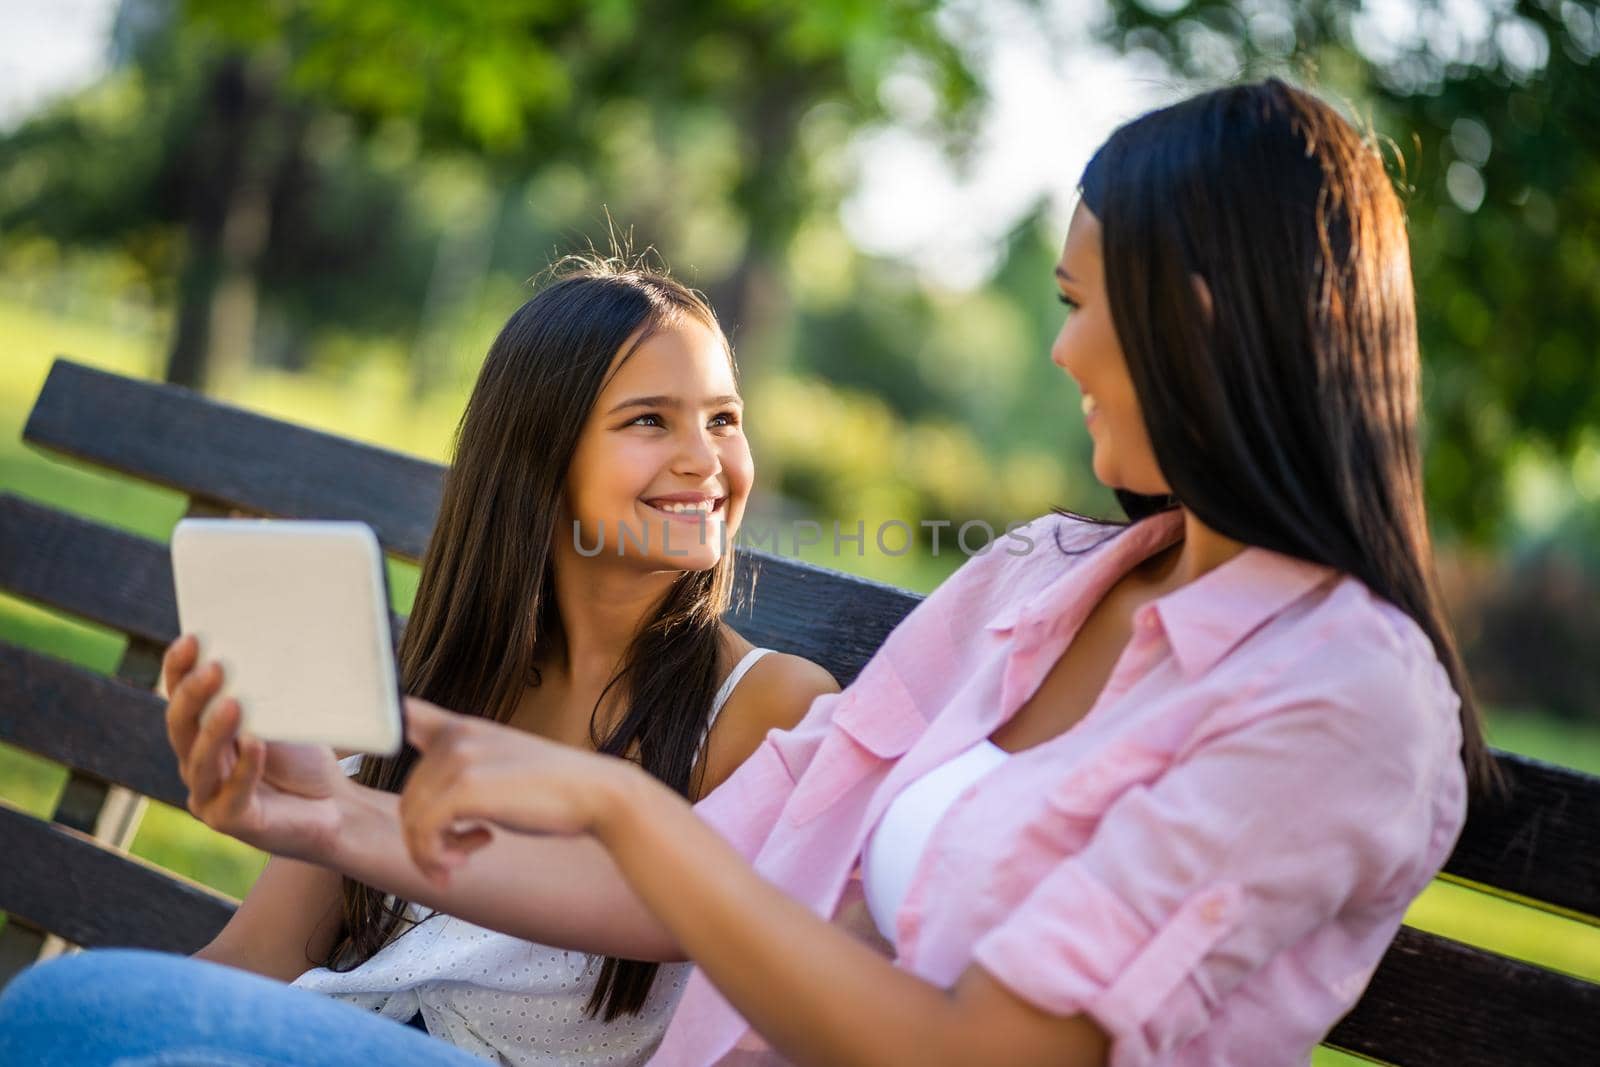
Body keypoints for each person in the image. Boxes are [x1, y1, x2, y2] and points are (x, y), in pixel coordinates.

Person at [0, 79, 1497, 1067]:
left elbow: (987, 1046)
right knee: (81, 1012)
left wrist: (610, 798)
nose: (1056, 351)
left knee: (81, 1013)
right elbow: (710, 884)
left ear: (1201, 316)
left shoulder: (1343, 700)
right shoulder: (1038, 580)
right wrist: (321, 810)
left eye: (1080, 303)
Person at [0, 255, 837, 1067]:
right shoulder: (434, 682)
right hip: (325, 1032)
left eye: (723, 417)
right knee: (66, 1012)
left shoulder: (765, 708)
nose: (704, 457)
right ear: (540, 454)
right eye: (651, 419)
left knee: (62, 1005)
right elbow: (261, 951)